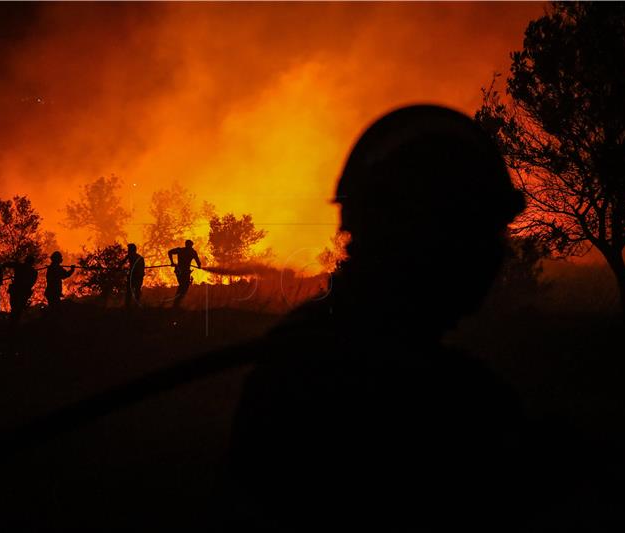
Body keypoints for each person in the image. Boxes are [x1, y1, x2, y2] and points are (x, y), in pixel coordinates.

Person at [220, 106, 537, 531]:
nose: (500, 253)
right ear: (431, 240)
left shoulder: (296, 354)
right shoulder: (451, 400)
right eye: (483, 232)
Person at [3, 254, 38, 332]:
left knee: (14, 309)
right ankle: (14, 328)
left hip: (15, 292)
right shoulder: (34, 272)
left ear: (25, 260)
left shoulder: (19, 266)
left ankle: (10, 328)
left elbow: (8, 264)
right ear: (32, 262)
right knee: (18, 311)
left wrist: (3, 266)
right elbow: (32, 283)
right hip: (24, 294)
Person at [168, 240, 201, 307]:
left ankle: (177, 303)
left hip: (179, 270)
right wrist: (199, 266)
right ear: (191, 245)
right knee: (184, 287)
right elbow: (198, 262)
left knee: (182, 286)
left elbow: (170, 252)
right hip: (185, 271)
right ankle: (176, 303)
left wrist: (172, 262)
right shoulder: (193, 252)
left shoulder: (180, 250)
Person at [121, 243, 145, 308]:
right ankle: (135, 305)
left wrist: (118, 267)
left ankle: (128, 306)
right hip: (139, 276)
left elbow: (122, 263)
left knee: (130, 291)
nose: (128, 251)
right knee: (136, 291)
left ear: (132, 250)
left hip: (135, 276)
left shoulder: (130, 256)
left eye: (129, 249)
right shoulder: (140, 257)